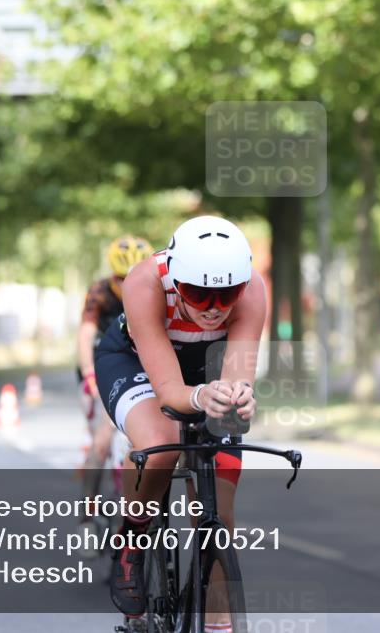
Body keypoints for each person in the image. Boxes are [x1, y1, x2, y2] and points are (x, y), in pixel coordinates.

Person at [94, 215, 265, 629]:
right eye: (198, 293)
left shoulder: (254, 288)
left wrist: (238, 396)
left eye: (226, 295)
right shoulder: (143, 282)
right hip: (135, 361)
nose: (212, 308)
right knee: (162, 441)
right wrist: (200, 396)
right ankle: (132, 537)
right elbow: (170, 391)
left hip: (207, 364)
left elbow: (237, 374)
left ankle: (217, 624)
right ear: (175, 276)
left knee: (219, 516)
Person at [76, 235, 154, 534]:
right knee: (101, 440)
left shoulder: (154, 291)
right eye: (122, 279)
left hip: (139, 367)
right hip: (101, 368)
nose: (128, 284)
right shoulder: (99, 292)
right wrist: (88, 374)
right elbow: (85, 334)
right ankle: (88, 513)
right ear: (112, 276)